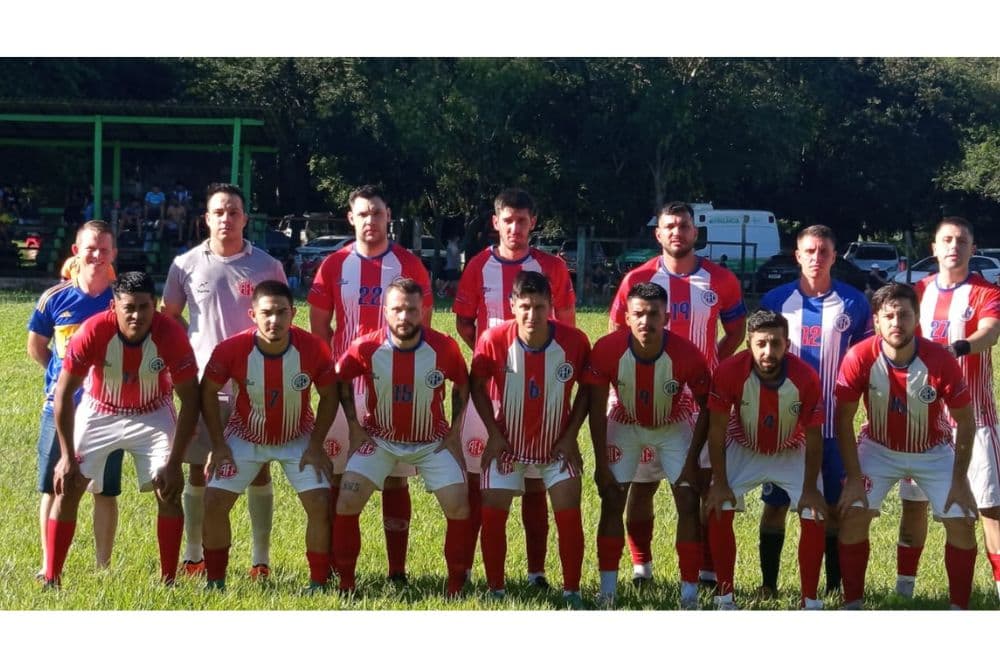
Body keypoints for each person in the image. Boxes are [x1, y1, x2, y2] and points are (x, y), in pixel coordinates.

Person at [609, 201, 746, 588]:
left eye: (684, 226)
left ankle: (706, 570)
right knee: (642, 485)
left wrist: (710, 365)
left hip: (700, 402)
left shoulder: (721, 280)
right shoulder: (638, 278)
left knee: (700, 486)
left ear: (695, 232)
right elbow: (617, 330)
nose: (677, 233)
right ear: (658, 234)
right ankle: (641, 567)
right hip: (645, 398)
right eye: (669, 226)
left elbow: (736, 331)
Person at [308, 184, 433, 584]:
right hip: (346, 389)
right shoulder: (333, 265)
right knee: (339, 474)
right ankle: (337, 566)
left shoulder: (409, 265)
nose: (370, 221)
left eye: (377, 213)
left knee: (395, 476)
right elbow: (319, 328)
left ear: (388, 215)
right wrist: (335, 375)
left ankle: (397, 571)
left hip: (394, 389)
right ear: (351, 218)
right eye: (362, 214)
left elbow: (423, 327)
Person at [452, 187, 576, 589]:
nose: (515, 228)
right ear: (496, 222)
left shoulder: (552, 267)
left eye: (522, 220)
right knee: (480, 483)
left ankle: (536, 571)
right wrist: (493, 361)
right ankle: (468, 570)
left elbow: (567, 324)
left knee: (536, 482)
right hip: (488, 394)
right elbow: (464, 322)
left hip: (539, 391)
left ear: (532, 222)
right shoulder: (478, 266)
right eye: (508, 220)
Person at [161, 183, 287, 580]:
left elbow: (280, 318)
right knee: (199, 469)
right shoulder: (185, 264)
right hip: (204, 387)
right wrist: (195, 348)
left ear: (245, 218)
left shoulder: (268, 265)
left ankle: (260, 560)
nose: (226, 219)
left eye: (233, 212)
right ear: (207, 218)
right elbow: (170, 316)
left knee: (259, 469)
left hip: (256, 387)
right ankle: (194, 555)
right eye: (219, 212)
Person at [44, 271, 200, 588]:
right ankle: (52, 578)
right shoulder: (92, 330)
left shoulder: (171, 333)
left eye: (144, 307)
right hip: (100, 409)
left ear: (154, 305)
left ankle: (169, 581)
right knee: (69, 486)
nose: (136, 315)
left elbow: (190, 400)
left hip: (153, 411)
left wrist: (174, 462)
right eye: (128, 307)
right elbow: (63, 394)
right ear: (113, 306)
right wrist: (66, 456)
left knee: (168, 489)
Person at [835, 283, 979, 609]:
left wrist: (960, 481)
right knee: (853, 513)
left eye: (904, 315)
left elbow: (966, 422)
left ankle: (959, 609)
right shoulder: (859, 356)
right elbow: (843, 420)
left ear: (917, 319)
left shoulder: (940, 360)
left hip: (933, 451)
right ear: (876, 321)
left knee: (962, 520)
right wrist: (854, 479)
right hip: (879, 447)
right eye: (889, 316)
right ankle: (852, 605)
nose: (896, 323)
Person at [332, 278, 472, 596]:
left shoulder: (443, 347)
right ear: (385, 311)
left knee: (459, 507)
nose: (404, 316)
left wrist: (453, 433)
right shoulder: (366, 347)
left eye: (411, 310)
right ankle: (346, 584)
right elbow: (341, 378)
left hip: (431, 442)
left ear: (423, 311)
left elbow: (462, 384)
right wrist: (354, 427)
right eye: (397, 309)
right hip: (379, 439)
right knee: (347, 500)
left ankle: (455, 587)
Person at [755, 225, 873, 598]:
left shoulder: (854, 303)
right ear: (797, 255)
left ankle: (834, 586)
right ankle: (769, 585)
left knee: (834, 509)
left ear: (834, 256)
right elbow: (759, 358)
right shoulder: (776, 300)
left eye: (823, 251)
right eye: (809, 251)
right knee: (775, 506)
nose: (816, 257)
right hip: (785, 428)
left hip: (834, 428)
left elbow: (867, 361)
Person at [200, 281, 337, 592]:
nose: (274, 320)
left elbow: (329, 396)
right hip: (245, 435)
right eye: (266, 313)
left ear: (293, 314)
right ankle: (215, 582)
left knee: (320, 502)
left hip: (297, 435)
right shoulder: (231, 349)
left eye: (281, 312)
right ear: (253, 315)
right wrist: (218, 445)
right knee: (214, 501)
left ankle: (318, 583)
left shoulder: (313, 348)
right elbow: (207, 392)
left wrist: (316, 445)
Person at [583, 282, 711, 608]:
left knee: (688, 499)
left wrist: (692, 461)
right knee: (613, 498)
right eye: (638, 314)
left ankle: (689, 595)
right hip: (625, 421)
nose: (646, 321)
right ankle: (607, 592)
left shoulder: (687, 354)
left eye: (654, 314)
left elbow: (707, 408)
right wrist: (600, 464)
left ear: (666, 318)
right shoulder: (607, 349)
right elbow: (595, 410)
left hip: (673, 423)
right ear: (626, 317)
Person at [894, 216, 1000, 600]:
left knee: (990, 508)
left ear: (973, 249)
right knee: (914, 505)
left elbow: (990, 332)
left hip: (976, 419)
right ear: (934, 248)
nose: (954, 246)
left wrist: (960, 347)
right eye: (947, 240)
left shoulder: (986, 291)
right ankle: (904, 591)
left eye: (962, 240)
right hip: (922, 422)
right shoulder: (917, 292)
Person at [470, 270, 590, 608]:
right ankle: (495, 590)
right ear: (512, 305)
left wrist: (570, 436)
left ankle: (572, 591)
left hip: (555, 446)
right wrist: (494, 434)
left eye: (539, 306)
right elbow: (476, 385)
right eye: (525, 306)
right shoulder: (493, 339)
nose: (532, 314)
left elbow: (588, 390)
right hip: (508, 445)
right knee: (492, 511)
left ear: (551, 305)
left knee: (569, 512)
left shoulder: (575, 341)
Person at [700, 309, 827, 610]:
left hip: (790, 448)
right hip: (744, 446)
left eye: (776, 343)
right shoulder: (729, 371)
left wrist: (810, 488)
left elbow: (814, 437)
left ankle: (810, 602)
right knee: (719, 505)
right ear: (748, 344)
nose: (768, 351)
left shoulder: (806, 377)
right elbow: (716, 430)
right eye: (761, 344)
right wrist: (720, 482)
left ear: (787, 345)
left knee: (815, 513)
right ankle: (725, 598)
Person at [27, 220, 124, 579]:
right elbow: (37, 347)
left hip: (108, 410)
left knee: (104, 490)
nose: (97, 255)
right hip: (60, 408)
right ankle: (48, 564)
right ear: (76, 251)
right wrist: (64, 381)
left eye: (104, 249)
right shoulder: (54, 298)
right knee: (53, 487)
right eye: (90, 248)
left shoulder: (121, 302)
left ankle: (103, 567)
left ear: (113, 253)